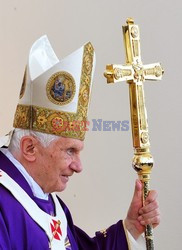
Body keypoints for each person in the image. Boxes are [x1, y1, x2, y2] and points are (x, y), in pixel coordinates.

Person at [0, 36, 160, 250]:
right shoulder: (5, 205)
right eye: (70, 151)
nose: (78, 166)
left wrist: (131, 227)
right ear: (30, 148)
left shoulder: (50, 204)